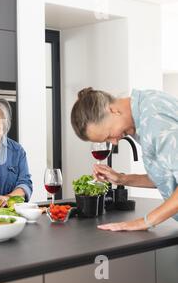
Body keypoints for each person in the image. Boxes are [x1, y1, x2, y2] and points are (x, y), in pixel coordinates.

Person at [71, 87, 178, 231]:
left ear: (113, 110)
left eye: (109, 134)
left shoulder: (155, 119)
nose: (114, 142)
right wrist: (121, 179)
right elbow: (168, 177)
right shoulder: (142, 115)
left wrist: (143, 222)